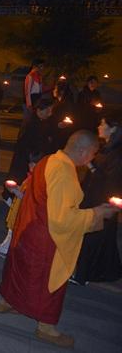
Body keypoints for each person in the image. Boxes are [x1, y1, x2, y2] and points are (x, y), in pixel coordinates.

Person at [0, 130, 118, 347]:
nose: (91, 159)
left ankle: (7, 302)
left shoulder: (50, 159)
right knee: (49, 282)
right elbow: (63, 219)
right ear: (82, 151)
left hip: (29, 227)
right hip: (47, 238)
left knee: (22, 270)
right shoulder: (63, 172)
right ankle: (46, 327)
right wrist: (97, 213)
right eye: (92, 154)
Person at [73, 117, 122, 285]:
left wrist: (91, 166)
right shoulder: (105, 147)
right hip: (92, 197)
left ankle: (83, 274)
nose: (99, 126)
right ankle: (101, 270)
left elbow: (111, 182)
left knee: (93, 236)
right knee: (99, 237)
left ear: (114, 129)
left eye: (103, 124)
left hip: (102, 201)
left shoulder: (117, 154)